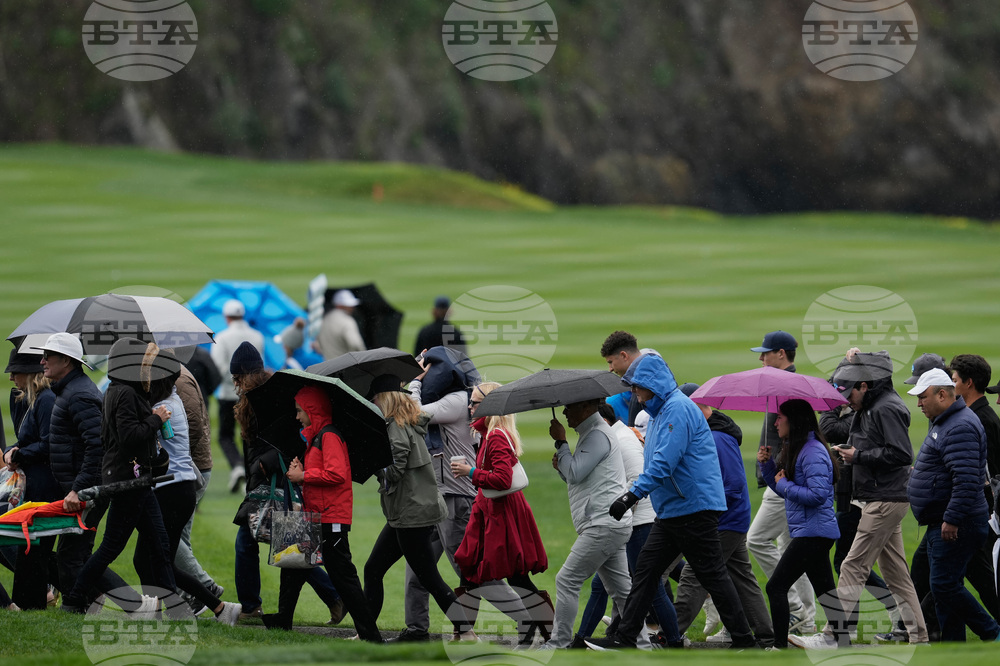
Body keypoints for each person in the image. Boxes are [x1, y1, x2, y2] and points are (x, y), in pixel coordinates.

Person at [587, 353, 758, 650]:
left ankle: (744, 639)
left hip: (693, 506)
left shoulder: (677, 409)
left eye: (638, 388)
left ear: (653, 384)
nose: (636, 395)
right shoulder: (659, 413)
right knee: (647, 572)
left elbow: (663, 463)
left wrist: (630, 496)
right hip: (676, 508)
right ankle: (627, 637)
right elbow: (654, 459)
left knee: (711, 575)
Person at [792, 349, 928, 648]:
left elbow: (903, 454)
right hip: (881, 496)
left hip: (884, 499)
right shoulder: (870, 404)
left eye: (848, 391)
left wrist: (859, 456)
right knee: (897, 576)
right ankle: (920, 639)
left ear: (865, 385)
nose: (843, 399)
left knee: (852, 566)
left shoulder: (884, 408)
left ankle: (832, 636)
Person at [60, 338, 177, 616]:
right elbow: (129, 437)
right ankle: (74, 599)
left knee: (159, 546)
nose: (146, 369)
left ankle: (174, 608)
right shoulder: (125, 393)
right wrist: (156, 420)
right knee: (111, 547)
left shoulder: (119, 389)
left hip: (133, 480)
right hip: (128, 481)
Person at [228, 343, 343, 624]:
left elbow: (294, 438)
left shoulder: (268, 397)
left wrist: (264, 463)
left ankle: (251, 606)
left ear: (242, 375)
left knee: (272, 544)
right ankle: (334, 597)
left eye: (236, 378)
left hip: (277, 481)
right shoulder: (261, 396)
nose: (234, 384)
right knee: (286, 545)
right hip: (265, 481)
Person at [262, 386, 383, 643]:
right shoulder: (317, 437)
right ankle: (283, 619)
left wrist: (303, 475)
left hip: (331, 518)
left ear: (312, 410)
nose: (296, 417)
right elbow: (325, 472)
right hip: (317, 515)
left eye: (299, 411)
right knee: (293, 566)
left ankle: (371, 635)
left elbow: (337, 474)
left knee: (343, 576)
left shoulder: (328, 436)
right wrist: (302, 470)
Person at [134, 348, 241, 625]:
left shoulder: (164, 408)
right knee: (151, 560)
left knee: (157, 561)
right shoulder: (170, 401)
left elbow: (147, 438)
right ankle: (211, 608)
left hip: (172, 490)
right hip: (176, 489)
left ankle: (211, 606)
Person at [362, 375, 473, 640]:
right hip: (407, 512)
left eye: (374, 399)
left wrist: (371, 462)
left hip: (411, 514)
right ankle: (365, 633)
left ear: (385, 399)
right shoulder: (404, 423)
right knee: (374, 569)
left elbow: (394, 472)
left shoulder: (395, 428)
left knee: (429, 577)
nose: (373, 404)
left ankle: (467, 632)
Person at [671, 384, 773, 648]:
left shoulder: (716, 438)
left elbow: (734, 485)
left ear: (697, 408)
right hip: (730, 520)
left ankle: (671, 634)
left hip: (722, 521)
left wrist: (706, 511)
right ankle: (765, 634)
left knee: (693, 576)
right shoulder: (713, 432)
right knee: (741, 578)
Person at [34, 333, 132, 607]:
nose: (42, 361)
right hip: (83, 487)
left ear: (66, 360)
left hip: (87, 489)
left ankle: (102, 606)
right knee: (75, 555)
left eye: (48, 356)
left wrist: (79, 489)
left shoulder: (78, 395)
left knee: (72, 556)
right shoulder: (71, 390)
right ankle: (97, 605)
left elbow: (97, 449)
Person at [546, 398, 652, 650]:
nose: (564, 411)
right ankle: (643, 646)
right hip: (609, 523)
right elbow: (579, 478)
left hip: (602, 524)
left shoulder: (595, 435)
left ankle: (558, 644)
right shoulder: (593, 433)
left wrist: (561, 443)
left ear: (585, 407)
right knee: (622, 591)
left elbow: (574, 473)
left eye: (569, 407)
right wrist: (563, 464)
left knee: (566, 579)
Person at [451, 382, 550, 645]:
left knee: (510, 572)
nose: (470, 407)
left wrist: (470, 472)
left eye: (474, 402)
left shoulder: (495, 436)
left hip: (499, 511)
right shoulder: (490, 434)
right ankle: (466, 632)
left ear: (490, 405)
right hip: (491, 510)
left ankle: (542, 628)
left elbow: (503, 480)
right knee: (473, 567)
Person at [906, 368, 1000, 642]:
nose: (919, 404)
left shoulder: (959, 425)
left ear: (942, 394)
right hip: (944, 519)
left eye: (923, 397)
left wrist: (953, 518)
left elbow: (968, 479)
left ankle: (992, 632)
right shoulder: (947, 420)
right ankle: (952, 642)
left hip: (956, 522)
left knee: (944, 585)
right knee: (945, 584)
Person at [575, 404, 680, 648]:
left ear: (600, 420)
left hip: (639, 522)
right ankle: (582, 641)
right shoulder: (615, 437)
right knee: (601, 585)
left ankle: (674, 642)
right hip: (628, 522)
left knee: (651, 588)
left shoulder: (621, 440)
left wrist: (622, 511)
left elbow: (638, 477)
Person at [397, 352, 478, 642]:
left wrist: (415, 385)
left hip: (457, 498)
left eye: (429, 369)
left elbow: (415, 415)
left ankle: (467, 629)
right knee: (418, 567)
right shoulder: (455, 398)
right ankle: (416, 629)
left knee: (466, 568)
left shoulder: (457, 400)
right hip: (436, 497)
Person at [745, 330, 816, 636]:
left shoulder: (788, 389)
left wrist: (777, 464)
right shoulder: (782, 386)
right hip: (783, 477)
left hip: (783, 479)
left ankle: (796, 609)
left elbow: (798, 434)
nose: (761, 359)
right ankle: (807, 618)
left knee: (756, 540)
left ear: (782, 354)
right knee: (791, 547)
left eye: (766, 353)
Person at [758, 399, 842, 650]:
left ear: (793, 421)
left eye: (780, 417)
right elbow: (785, 489)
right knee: (825, 589)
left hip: (813, 532)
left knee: (776, 586)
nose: (775, 422)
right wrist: (767, 466)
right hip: (813, 530)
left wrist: (784, 484)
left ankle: (779, 648)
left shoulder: (813, 451)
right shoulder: (799, 448)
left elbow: (817, 495)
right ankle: (842, 642)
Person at [3, 349, 60, 609]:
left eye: (16, 371)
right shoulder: (31, 399)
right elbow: (29, 440)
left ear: (31, 373)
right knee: (32, 547)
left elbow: (50, 444)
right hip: (37, 482)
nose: (12, 377)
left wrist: (21, 453)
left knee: (36, 548)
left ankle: (79, 588)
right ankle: (31, 602)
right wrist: (12, 451)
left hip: (45, 485)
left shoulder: (46, 400)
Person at [171, 363, 225, 611]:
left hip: (191, 467)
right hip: (190, 465)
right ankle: (194, 596)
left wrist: (180, 454)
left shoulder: (179, 379)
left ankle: (206, 588)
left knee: (165, 534)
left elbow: (193, 421)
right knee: (179, 536)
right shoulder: (176, 375)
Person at [210, 299, 265, 493]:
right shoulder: (257, 335)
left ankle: (238, 467)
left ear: (226, 317)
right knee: (248, 434)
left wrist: (233, 382)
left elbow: (218, 367)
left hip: (227, 394)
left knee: (226, 435)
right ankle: (248, 472)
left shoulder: (223, 337)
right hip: (252, 394)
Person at [315, 290, 365, 361]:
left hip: (326, 365)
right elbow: (355, 344)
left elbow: (318, 344)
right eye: (349, 305)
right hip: (344, 365)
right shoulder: (347, 321)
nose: (352, 308)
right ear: (340, 305)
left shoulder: (325, 319)